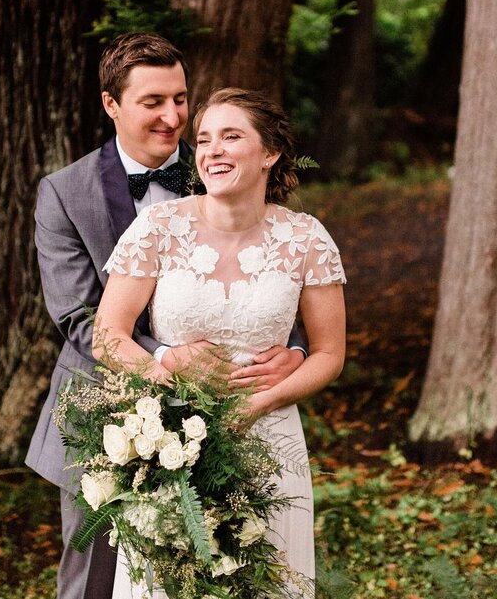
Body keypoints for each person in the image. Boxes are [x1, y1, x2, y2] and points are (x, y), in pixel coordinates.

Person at [24, 34, 308, 599]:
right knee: (96, 582)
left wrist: (295, 349)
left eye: (180, 99)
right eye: (153, 101)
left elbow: (279, 266)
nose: (173, 116)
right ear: (112, 105)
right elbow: (80, 317)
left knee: (233, 569)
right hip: (105, 412)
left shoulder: (223, 165)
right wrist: (166, 359)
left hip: (232, 411)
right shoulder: (65, 193)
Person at [95, 88, 347, 598]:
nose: (212, 150)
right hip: (170, 444)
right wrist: (168, 381)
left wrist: (264, 401)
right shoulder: (159, 228)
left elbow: (330, 354)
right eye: (204, 139)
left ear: (270, 153)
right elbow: (107, 336)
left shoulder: (306, 239)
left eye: (232, 137)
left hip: (271, 442)